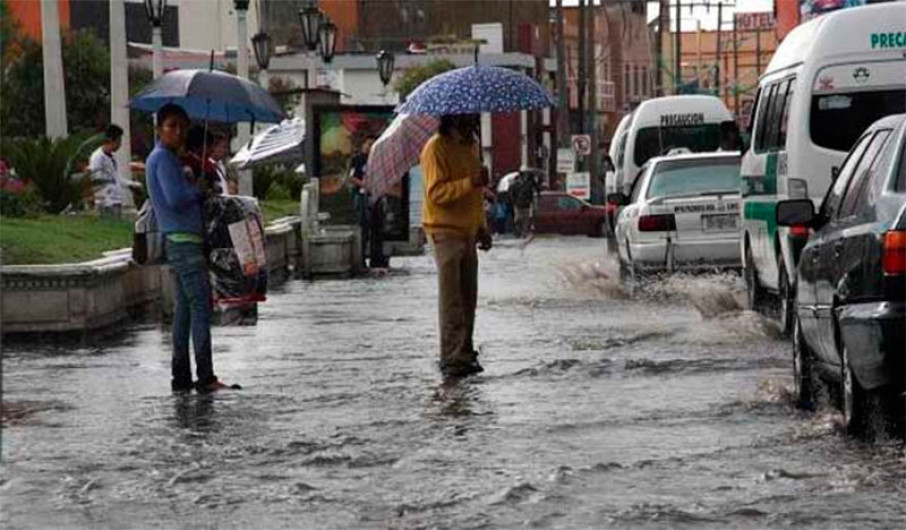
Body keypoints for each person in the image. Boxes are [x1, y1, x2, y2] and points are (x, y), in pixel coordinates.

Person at [146, 104, 236, 393]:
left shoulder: (168, 158)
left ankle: (181, 377)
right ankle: (206, 377)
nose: (178, 132)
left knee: (184, 311)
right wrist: (198, 189)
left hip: (183, 241)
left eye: (182, 127)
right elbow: (175, 198)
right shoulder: (163, 159)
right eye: (171, 125)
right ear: (159, 129)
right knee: (201, 306)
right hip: (183, 242)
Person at [420, 113, 493, 378]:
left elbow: (475, 195)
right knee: (452, 299)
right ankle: (452, 357)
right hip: (444, 230)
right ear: (454, 118)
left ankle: (465, 350)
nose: (473, 123)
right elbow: (436, 193)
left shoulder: (471, 145)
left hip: (468, 231)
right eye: (469, 118)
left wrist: (482, 226)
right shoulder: (435, 148)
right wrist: (470, 181)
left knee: (468, 297)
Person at [88, 124, 140, 216]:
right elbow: (96, 180)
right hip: (105, 202)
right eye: (119, 141)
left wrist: (133, 185)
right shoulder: (97, 157)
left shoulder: (112, 157)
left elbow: (117, 178)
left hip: (115, 200)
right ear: (112, 140)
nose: (120, 145)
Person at [348, 136, 375, 268]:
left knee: (373, 225)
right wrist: (363, 184)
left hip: (372, 194)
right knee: (362, 223)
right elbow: (351, 177)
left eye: (372, 144)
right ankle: (361, 256)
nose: (369, 147)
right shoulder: (356, 159)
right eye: (368, 144)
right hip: (360, 194)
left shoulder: (375, 158)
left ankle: (373, 256)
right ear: (363, 145)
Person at [511, 168, 540, 238]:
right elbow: (535, 189)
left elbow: (512, 194)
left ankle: (518, 232)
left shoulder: (515, 184)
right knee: (525, 219)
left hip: (518, 204)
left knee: (519, 218)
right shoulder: (528, 183)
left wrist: (514, 202)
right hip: (526, 204)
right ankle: (523, 233)